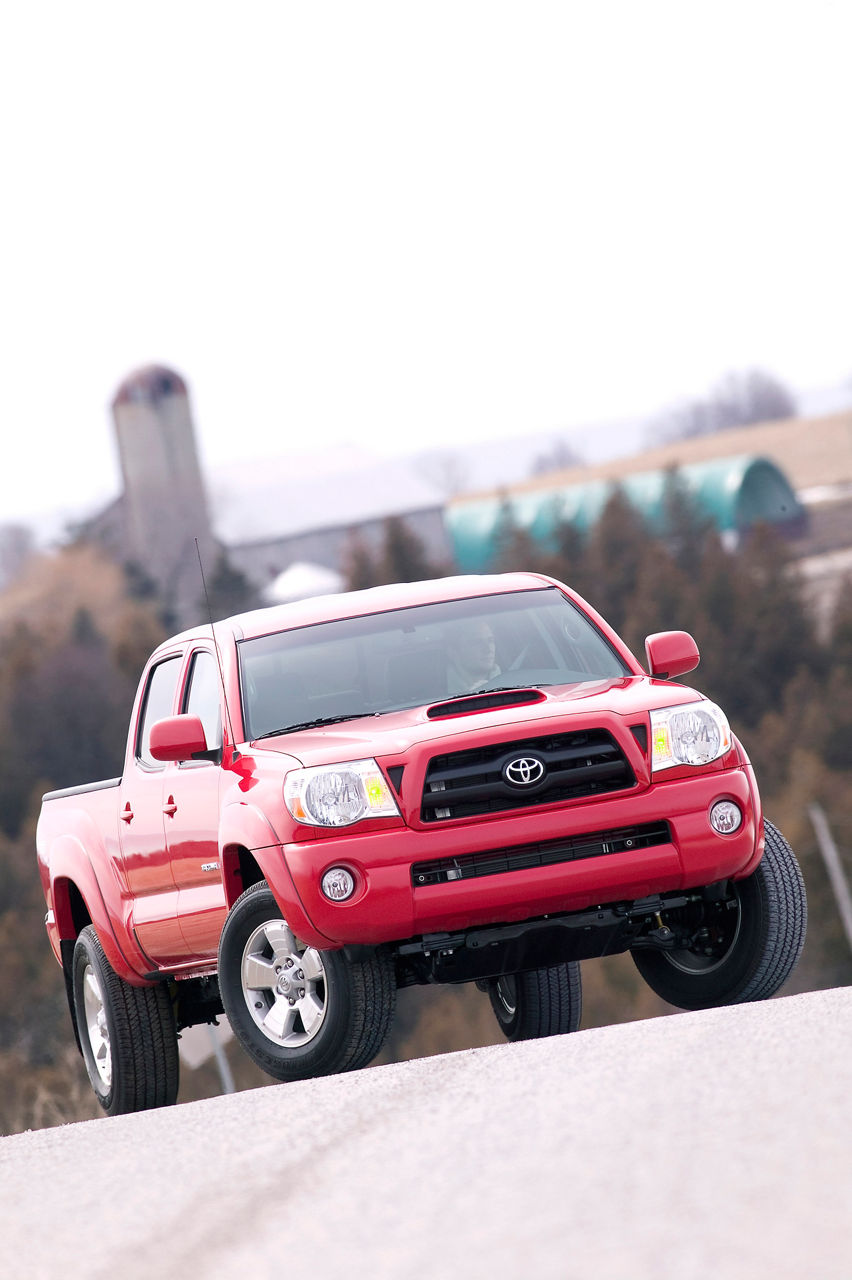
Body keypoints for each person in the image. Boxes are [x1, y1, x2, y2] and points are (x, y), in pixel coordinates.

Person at [446, 619, 500, 694]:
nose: (488, 649)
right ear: (453, 652)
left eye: (490, 640)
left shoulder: (510, 682)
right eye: (477, 642)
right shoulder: (436, 692)